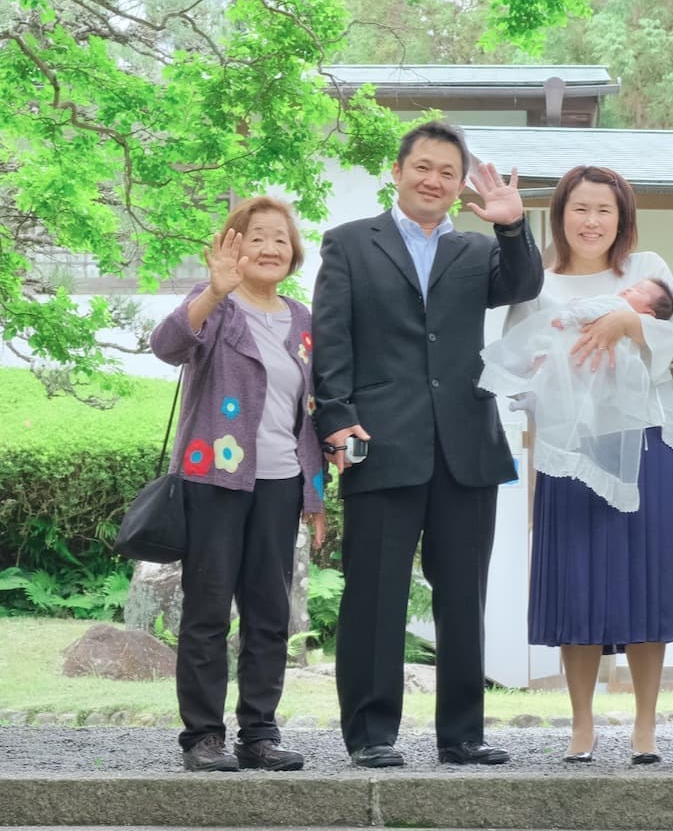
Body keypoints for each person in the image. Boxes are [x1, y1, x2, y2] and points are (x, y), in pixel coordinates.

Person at [311, 120, 543, 769]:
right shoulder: (350, 245)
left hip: (467, 444)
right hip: (380, 442)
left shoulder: (476, 253)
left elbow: (523, 286)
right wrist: (335, 415)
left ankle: (462, 734)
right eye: (424, 167)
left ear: (459, 182)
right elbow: (332, 340)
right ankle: (370, 733)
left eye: (448, 171)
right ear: (398, 170)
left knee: (463, 597)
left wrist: (510, 224)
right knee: (375, 596)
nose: (434, 180)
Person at [506, 165, 673, 765]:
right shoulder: (536, 282)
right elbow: (515, 363)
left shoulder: (646, 271)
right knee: (578, 586)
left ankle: (645, 726)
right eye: (580, 209)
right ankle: (582, 724)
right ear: (560, 214)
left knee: (647, 582)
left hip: (645, 445)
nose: (592, 222)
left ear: (623, 219)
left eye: (604, 210)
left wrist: (630, 320)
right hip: (568, 451)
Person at [150, 196, 326, 773]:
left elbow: (312, 414)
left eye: (280, 238)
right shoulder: (216, 309)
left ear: (293, 251)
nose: (270, 247)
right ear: (233, 247)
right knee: (206, 610)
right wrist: (213, 290)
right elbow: (168, 345)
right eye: (257, 237)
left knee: (269, 612)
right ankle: (203, 735)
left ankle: (260, 733)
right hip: (215, 479)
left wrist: (314, 493)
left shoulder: (303, 321)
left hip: (280, 481)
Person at [479, 278, 673, 512]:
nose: (629, 288)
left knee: (570, 387)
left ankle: (536, 399)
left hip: (608, 394)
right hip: (578, 365)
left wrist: (569, 318)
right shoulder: (537, 278)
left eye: (638, 290)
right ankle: (533, 398)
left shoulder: (620, 306)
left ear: (648, 312)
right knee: (559, 381)